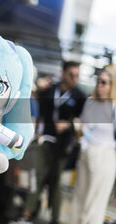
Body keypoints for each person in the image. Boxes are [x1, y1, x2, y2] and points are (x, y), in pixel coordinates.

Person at [21, 61, 86, 224]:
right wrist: (37, 86)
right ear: (63, 73)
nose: (74, 79)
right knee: (37, 176)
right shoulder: (50, 88)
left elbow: (85, 120)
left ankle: (55, 218)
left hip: (64, 145)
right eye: (71, 75)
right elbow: (34, 102)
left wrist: (69, 124)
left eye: (77, 75)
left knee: (57, 182)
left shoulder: (80, 96)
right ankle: (27, 213)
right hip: (44, 140)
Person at [71, 66, 116, 224]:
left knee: (95, 202)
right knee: (79, 197)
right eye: (98, 81)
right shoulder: (90, 102)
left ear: (112, 85)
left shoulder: (114, 107)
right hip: (86, 150)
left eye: (104, 82)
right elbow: (83, 124)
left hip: (105, 154)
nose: (99, 85)